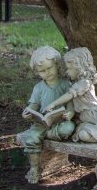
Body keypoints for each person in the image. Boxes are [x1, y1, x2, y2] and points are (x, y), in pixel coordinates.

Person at [15, 46, 75, 183]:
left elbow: (71, 102)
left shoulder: (65, 84)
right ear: (37, 72)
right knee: (32, 137)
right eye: (42, 71)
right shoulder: (38, 87)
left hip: (60, 121)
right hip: (42, 123)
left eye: (50, 68)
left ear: (57, 65)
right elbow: (34, 105)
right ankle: (34, 168)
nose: (47, 73)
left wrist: (70, 112)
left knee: (69, 128)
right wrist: (28, 112)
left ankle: (43, 136)